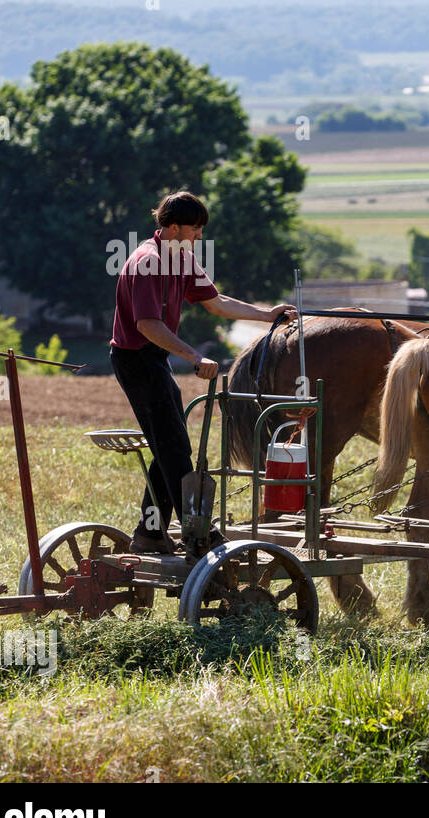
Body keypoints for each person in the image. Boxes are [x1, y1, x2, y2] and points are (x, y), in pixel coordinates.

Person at [110, 191, 295, 553]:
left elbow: (216, 302)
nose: (199, 236)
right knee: (175, 447)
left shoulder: (182, 258)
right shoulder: (147, 262)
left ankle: (150, 532)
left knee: (170, 444)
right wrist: (195, 357)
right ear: (174, 227)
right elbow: (147, 325)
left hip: (153, 360)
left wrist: (266, 315)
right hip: (137, 361)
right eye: (195, 230)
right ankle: (199, 534)